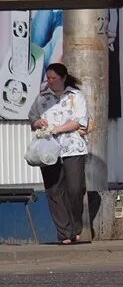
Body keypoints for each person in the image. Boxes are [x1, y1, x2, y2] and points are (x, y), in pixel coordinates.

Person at [28, 63, 89, 245]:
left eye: (54, 78)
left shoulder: (75, 96)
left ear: (63, 78)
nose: (50, 81)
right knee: (54, 191)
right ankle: (65, 233)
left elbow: (79, 121)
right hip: (48, 150)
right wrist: (37, 123)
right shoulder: (42, 98)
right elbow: (32, 117)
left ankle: (75, 226)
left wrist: (57, 129)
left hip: (72, 148)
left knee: (75, 189)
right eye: (48, 78)